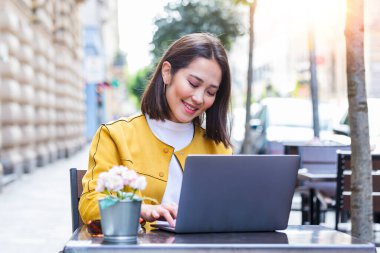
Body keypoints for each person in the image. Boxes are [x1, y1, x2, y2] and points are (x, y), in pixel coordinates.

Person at [79, 33, 233, 229]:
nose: (199, 98)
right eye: (193, 84)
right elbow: (90, 204)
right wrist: (142, 209)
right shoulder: (116, 136)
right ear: (167, 72)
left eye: (210, 92)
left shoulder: (219, 148)